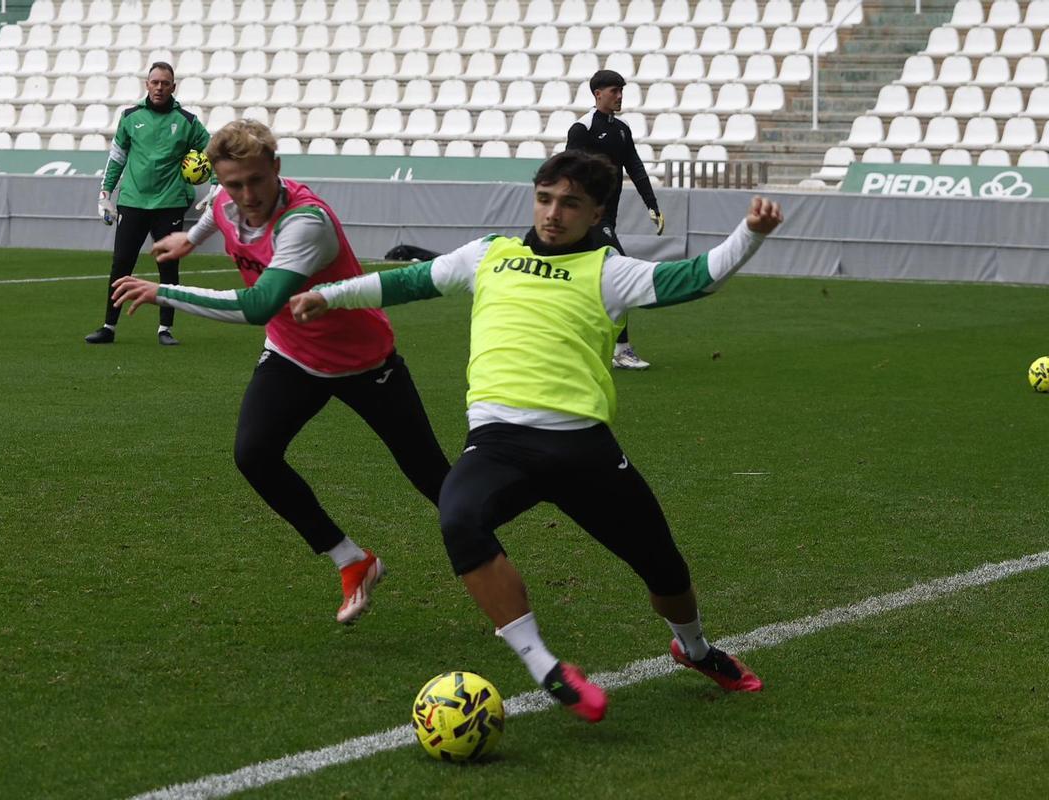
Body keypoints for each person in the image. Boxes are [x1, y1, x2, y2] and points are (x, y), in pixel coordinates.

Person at [290, 151, 783, 721]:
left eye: (570, 204)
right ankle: (545, 666)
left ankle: (693, 649)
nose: (553, 213)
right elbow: (410, 281)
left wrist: (750, 233)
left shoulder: (608, 270)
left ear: (596, 212)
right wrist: (330, 296)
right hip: (499, 443)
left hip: (584, 449)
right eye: (545, 199)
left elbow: (696, 277)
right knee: (459, 516)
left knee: (664, 569)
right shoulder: (489, 255)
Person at [109, 120, 450, 624]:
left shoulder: (305, 223)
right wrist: (189, 239)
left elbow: (258, 304)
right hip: (293, 355)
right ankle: (352, 561)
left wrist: (166, 291)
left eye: (256, 180)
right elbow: (217, 212)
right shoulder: (227, 201)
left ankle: (493, 572)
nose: (246, 195)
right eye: (234, 184)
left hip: (362, 360)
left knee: (433, 479)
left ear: (276, 167)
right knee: (254, 454)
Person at [85, 62, 210, 346]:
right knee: (121, 263)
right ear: (147, 84)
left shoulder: (187, 121)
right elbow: (117, 157)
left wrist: (215, 184)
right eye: (155, 82)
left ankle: (165, 329)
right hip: (132, 202)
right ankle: (108, 327)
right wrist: (105, 193)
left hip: (170, 203)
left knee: (168, 266)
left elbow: (212, 150)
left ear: (173, 87)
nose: (159, 87)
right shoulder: (130, 117)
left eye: (165, 83)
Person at [566, 69, 664, 371]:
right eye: (614, 91)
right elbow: (568, 173)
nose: (620, 96)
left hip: (608, 217)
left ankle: (577, 342)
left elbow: (635, 167)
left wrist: (652, 205)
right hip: (588, 219)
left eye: (622, 90)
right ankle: (621, 350)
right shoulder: (582, 129)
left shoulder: (622, 129)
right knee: (619, 272)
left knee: (589, 282)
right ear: (598, 94)